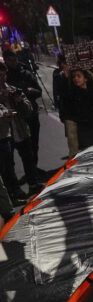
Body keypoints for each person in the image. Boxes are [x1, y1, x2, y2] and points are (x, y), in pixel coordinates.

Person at [0, 62, 38, 199]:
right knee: (8, 166)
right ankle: (14, 192)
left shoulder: (14, 89)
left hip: (20, 129)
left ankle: (33, 184)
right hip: (4, 134)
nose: (2, 79)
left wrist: (19, 101)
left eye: (3, 75)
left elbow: (28, 109)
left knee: (28, 158)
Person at [4, 50, 42, 173]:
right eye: (10, 60)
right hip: (16, 118)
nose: (13, 63)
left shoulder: (26, 73)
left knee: (34, 143)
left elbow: (39, 91)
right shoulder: (5, 77)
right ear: (5, 61)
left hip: (31, 113)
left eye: (15, 60)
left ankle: (33, 169)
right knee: (17, 148)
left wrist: (31, 91)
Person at [61, 68, 93, 150]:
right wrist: (65, 79)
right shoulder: (72, 94)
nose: (76, 78)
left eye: (79, 76)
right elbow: (65, 106)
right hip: (84, 131)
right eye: (74, 77)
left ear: (86, 78)